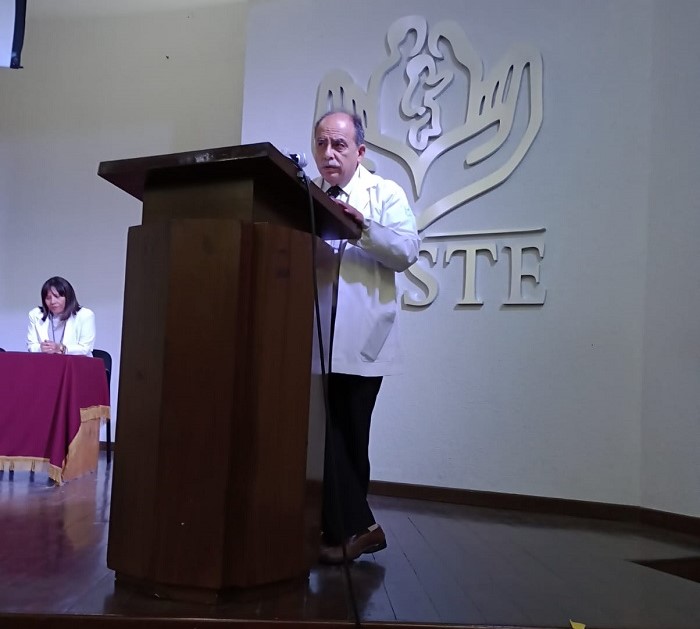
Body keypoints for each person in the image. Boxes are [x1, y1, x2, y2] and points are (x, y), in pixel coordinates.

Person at [312, 110, 420, 564]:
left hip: (361, 339)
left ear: (359, 151)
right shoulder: (310, 197)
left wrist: (364, 229)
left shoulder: (384, 193)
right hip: (315, 338)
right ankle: (346, 529)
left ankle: (359, 528)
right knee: (324, 435)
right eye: (321, 143)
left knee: (347, 435)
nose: (329, 153)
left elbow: (408, 250)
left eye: (339, 144)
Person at [27, 276, 95, 356]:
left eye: (57, 297)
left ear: (68, 297)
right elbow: (31, 346)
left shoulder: (85, 315)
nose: (52, 302)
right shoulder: (35, 314)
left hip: (76, 362)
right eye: (48, 298)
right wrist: (40, 348)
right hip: (46, 362)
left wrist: (60, 348)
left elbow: (86, 348)